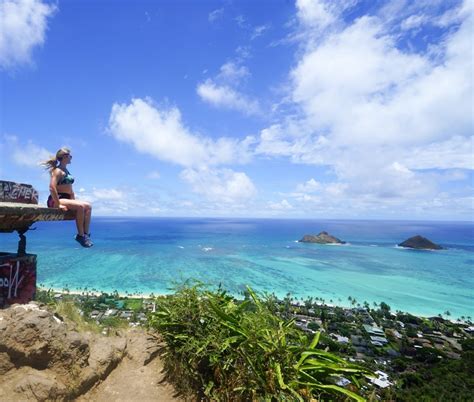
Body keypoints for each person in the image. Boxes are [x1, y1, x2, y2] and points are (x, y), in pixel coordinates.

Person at [42, 147, 93, 247]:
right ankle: (80, 235)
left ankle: (86, 235)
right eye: (70, 155)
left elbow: (70, 190)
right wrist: (58, 204)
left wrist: (73, 202)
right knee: (81, 207)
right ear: (64, 157)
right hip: (56, 199)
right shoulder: (57, 171)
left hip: (66, 199)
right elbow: (52, 187)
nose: (71, 157)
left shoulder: (66, 170)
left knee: (88, 206)